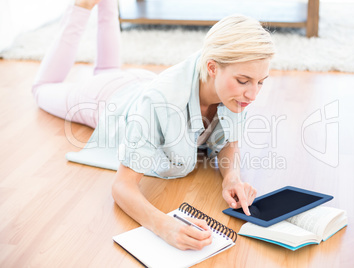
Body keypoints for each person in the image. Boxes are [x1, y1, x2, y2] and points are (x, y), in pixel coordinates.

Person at [32, 0, 275, 251]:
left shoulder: (233, 91)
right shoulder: (160, 101)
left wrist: (231, 178)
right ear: (212, 67)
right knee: (42, 90)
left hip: (142, 83)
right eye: (244, 81)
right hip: (106, 98)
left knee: (107, 68)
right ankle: (83, 6)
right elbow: (122, 186)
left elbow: (228, 141)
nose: (253, 94)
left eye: (261, 82)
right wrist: (164, 226)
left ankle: (106, 4)